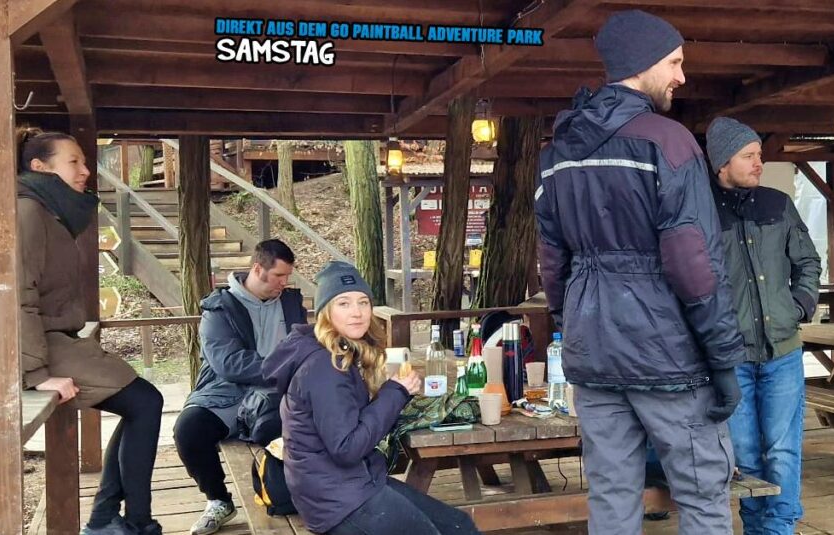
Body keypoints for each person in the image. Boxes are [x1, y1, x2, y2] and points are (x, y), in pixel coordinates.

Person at [533, 10, 747, 534]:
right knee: (702, 495)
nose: (681, 76)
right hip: (668, 358)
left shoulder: (558, 152)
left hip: (593, 356)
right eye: (674, 63)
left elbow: (551, 261)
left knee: (611, 496)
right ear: (641, 63)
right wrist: (723, 358)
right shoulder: (668, 141)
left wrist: (572, 322)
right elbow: (695, 267)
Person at [16, 127, 164, 535]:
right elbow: (17, 296)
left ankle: (109, 519)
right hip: (42, 345)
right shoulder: (29, 212)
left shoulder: (52, 212)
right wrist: (36, 374)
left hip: (59, 339)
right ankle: (133, 522)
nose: (85, 171)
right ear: (40, 167)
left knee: (142, 404)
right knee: (145, 403)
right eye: (74, 162)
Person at [261, 261, 481, 535]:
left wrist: (394, 394)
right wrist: (395, 391)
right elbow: (347, 448)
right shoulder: (324, 367)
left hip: (357, 482)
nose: (357, 312)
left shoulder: (340, 353)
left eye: (363, 302)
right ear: (326, 313)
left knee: (459, 526)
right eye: (344, 303)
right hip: (336, 500)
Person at [706, 117, 822, 535]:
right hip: (732, 356)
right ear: (722, 163)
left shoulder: (778, 204)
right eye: (748, 156)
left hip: (783, 352)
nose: (759, 163)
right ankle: (758, 527)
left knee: (783, 449)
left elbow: (808, 261)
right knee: (745, 452)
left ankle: (779, 528)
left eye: (759, 154)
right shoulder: (700, 212)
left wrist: (799, 306)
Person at [173, 239, 307, 535]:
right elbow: (229, 363)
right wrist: (284, 367)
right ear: (258, 269)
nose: (284, 283)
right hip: (227, 394)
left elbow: (305, 346)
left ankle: (295, 495)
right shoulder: (218, 308)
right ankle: (218, 500)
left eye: (287, 276)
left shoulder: (290, 303)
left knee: (302, 429)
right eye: (279, 276)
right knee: (189, 429)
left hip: (278, 394)